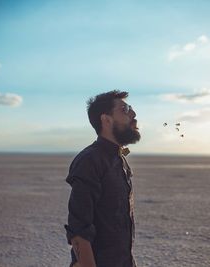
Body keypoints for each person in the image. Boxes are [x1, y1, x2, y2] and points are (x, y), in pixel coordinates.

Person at [65, 90, 141, 267]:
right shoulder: (89, 161)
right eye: (125, 109)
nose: (133, 114)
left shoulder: (119, 158)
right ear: (106, 120)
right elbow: (79, 229)